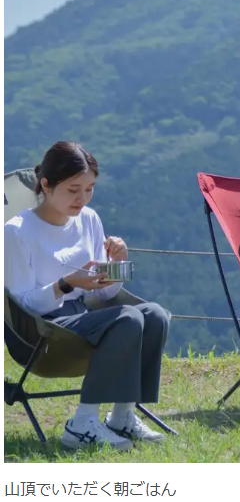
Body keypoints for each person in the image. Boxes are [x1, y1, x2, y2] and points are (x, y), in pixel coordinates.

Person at [4, 142, 171, 451]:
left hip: (83, 315)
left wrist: (117, 263)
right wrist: (65, 284)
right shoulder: (16, 232)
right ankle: (82, 423)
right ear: (46, 184)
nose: (82, 199)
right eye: (73, 190)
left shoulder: (89, 219)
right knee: (129, 317)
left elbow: (105, 292)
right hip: (41, 330)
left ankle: (123, 415)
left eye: (90, 189)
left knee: (155, 315)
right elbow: (21, 305)